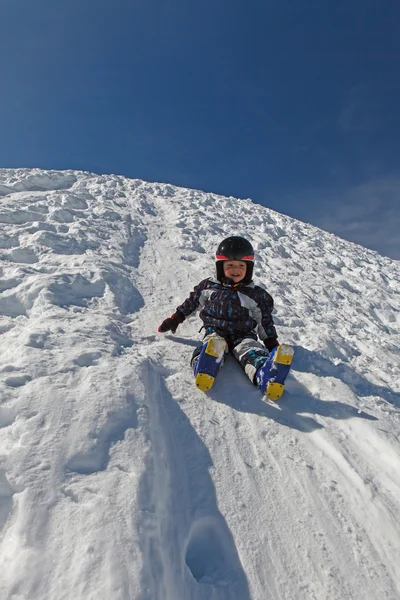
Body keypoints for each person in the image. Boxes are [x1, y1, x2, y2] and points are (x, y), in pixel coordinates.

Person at [158, 236, 282, 392]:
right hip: (215, 330)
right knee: (212, 344)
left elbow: (264, 318)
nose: (235, 270)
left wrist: (270, 340)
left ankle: (264, 375)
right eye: (230, 265)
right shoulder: (209, 286)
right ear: (220, 267)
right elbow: (192, 303)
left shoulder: (254, 294)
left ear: (248, 268)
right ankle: (204, 366)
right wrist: (176, 319)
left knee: (251, 350)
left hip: (243, 333)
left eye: (241, 266)